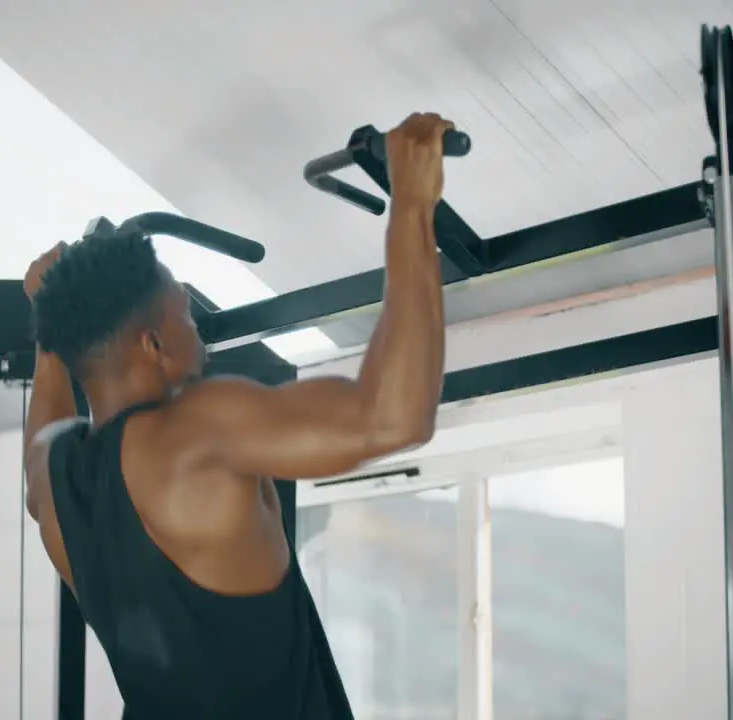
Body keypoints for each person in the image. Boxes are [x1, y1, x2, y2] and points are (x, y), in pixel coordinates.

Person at [23, 112, 452, 719]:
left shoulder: (53, 476)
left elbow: (43, 429)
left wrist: (49, 331)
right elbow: (395, 418)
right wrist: (412, 200)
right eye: (185, 313)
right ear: (152, 344)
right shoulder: (194, 430)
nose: (197, 325)